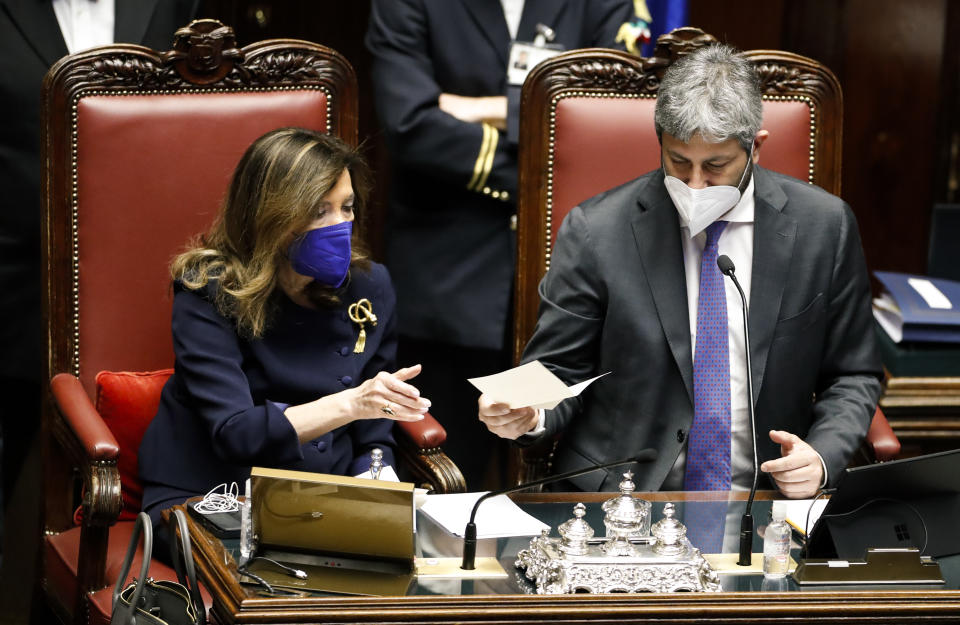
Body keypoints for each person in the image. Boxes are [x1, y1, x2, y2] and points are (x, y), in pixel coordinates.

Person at [478, 45, 883, 499]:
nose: (694, 185)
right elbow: (558, 368)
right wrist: (531, 413)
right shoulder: (597, 230)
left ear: (757, 147)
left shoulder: (823, 227)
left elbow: (853, 373)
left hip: (766, 497)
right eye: (677, 162)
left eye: (715, 166)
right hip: (620, 498)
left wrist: (822, 455)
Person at [365, 0, 638, 489]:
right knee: (449, 488)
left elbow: (614, 111)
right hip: (450, 280)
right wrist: (544, 156)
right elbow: (411, 123)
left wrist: (482, 108)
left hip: (574, 281)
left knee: (571, 491)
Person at [138, 128, 431, 535]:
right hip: (213, 495)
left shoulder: (369, 285)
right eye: (317, 211)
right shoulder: (208, 289)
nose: (339, 225)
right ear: (269, 214)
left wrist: (375, 480)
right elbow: (235, 433)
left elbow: (373, 430)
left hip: (323, 495)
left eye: (346, 208)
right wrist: (351, 403)